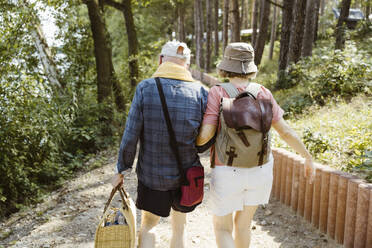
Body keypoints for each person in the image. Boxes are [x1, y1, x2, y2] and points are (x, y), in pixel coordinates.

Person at [196, 42, 315, 248]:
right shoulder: (263, 93)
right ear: (250, 67)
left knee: (223, 228)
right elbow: (285, 131)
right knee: (243, 226)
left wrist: (192, 146)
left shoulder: (217, 92)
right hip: (260, 169)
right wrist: (307, 156)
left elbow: (206, 133)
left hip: (227, 169)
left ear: (226, 65)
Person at [112, 40, 208, 248]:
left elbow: (131, 135)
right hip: (186, 177)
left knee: (149, 226)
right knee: (180, 228)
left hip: (153, 177)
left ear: (160, 60)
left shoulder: (145, 88)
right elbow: (204, 141)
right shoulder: (200, 93)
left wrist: (122, 168)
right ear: (187, 64)